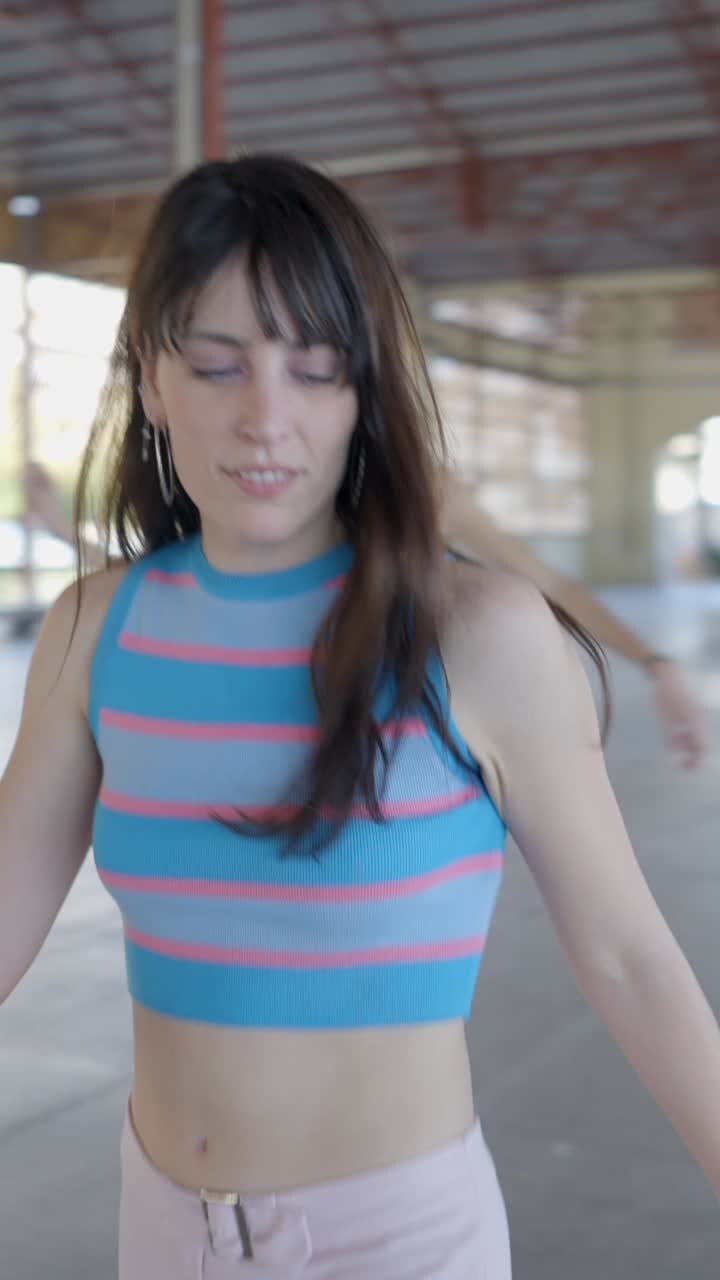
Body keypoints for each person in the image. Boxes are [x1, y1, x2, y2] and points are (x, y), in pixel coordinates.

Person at [3, 155, 718, 1280]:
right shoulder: (98, 629)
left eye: (315, 367)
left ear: (363, 388)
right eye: (217, 363)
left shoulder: (470, 633)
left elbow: (630, 957)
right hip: (160, 1226)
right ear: (152, 380)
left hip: (395, 1241)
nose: (264, 417)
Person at [26, 458, 707, 771]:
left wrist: (657, 663)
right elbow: (165, 575)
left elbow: (546, 581)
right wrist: (63, 531)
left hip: (381, 718)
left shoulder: (425, 488)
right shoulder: (245, 473)